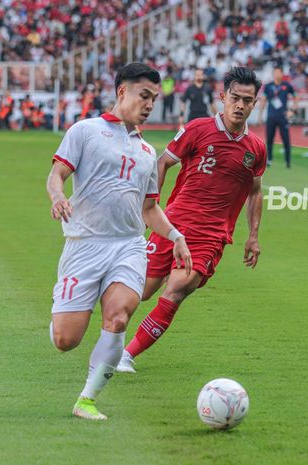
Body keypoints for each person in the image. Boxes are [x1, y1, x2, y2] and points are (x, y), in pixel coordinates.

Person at [46, 62, 192, 420]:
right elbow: (56, 174)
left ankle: (87, 399)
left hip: (128, 245)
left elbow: (149, 208)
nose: (149, 104)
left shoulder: (146, 152)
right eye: (144, 95)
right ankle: (62, 313)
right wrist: (57, 197)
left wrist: (175, 235)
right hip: (85, 244)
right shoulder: (85, 131)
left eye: (154, 99)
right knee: (66, 340)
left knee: (119, 314)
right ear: (122, 91)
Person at [117, 67, 266, 374]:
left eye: (247, 101)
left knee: (177, 289)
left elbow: (255, 192)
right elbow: (163, 163)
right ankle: (109, 338)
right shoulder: (198, 129)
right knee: (140, 290)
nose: (240, 105)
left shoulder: (256, 148)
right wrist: (150, 209)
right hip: (173, 225)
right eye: (235, 98)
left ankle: (125, 356)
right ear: (222, 97)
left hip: (211, 235)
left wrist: (253, 235)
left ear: (255, 104)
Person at [257, 67, 297, 168]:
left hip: (283, 117)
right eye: (275, 72)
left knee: (286, 140)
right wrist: (260, 115)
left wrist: (292, 110)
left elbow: (296, 97)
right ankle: (269, 160)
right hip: (271, 117)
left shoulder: (286, 85)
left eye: (278, 72)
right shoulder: (268, 86)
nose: (276, 74)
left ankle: (288, 161)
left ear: (282, 74)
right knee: (269, 140)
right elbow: (263, 100)